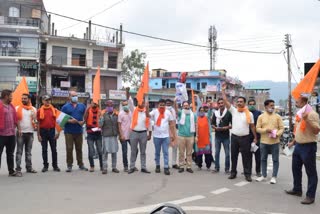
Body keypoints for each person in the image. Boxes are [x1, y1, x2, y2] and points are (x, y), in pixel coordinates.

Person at [285, 96, 320, 205]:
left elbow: (316, 130)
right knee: (295, 169)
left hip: (308, 146)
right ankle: (297, 189)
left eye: (297, 101)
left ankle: (310, 196)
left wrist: (306, 119)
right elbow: (299, 131)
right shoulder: (300, 113)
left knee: (311, 172)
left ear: (304, 102)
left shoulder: (312, 114)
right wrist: (293, 142)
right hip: (298, 146)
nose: (295, 103)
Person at [221, 82, 257, 182]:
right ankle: (233, 172)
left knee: (247, 157)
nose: (239, 103)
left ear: (244, 103)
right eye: (238, 101)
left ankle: (247, 174)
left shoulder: (249, 114)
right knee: (234, 156)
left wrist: (255, 137)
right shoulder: (234, 111)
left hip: (245, 138)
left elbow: (252, 126)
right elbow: (225, 100)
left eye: (241, 101)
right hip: (234, 137)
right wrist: (223, 90)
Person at [256, 99, 284, 184]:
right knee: (263, 159)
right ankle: (263, 175)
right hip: (264, 142)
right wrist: (265, 130)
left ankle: (274, 176)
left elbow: (282, 128)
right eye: (271, 105)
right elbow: (257, 128)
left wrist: (277, 134)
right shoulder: (261, 117)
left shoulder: (277, 117)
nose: (273, 107)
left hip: (275, 142)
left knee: (275, 159)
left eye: (273, 105)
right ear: (266, 106)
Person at [61, 91, 88, 172]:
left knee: (79, 149)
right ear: (69, 97)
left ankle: (81, 164)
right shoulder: (65, 107)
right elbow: (61, 119)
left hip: (79, 131)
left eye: (76, 95)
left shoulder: (82, 106)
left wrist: (83, 122)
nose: (75, 97)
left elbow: (86, 116)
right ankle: (69, 165)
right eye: (73, 96)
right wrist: (69, 121)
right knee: (69, 148)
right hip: (69, 131)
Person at [150, 99, 176, 175]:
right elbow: (148, 116)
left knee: (166, 152)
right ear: (158, 105)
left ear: (165, 105)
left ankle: (166, 167)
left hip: (166, 136)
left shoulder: (168, 112)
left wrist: (173, 135)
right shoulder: (154, 111)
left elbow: (171, 124)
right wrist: (146, 107)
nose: (162, 106)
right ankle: (157, 165)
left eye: (163, 105)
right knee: (157, 152)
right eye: (160, 104)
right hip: (156, 136)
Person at [128, 97, 152, 174]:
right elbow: (130, 102)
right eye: (140, 102)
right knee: (133, 151)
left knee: (143, 151)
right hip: (134, 133)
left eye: (142, 102)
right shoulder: (134, 109)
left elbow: (149, 123)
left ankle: (143, 167)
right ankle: (132, 167)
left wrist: (150, 134)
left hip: (143, 133)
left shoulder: (146, 112)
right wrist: (127, 93)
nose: (141, 103)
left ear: (144, 103)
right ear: (137, 103)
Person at [15, 93, 37, 176]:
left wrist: (35, 118)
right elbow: (16, 120)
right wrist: (19, 129)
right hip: (21, 133)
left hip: (30, 133)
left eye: (25, 98)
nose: (23, 100)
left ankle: (29, 168)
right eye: (22, 98)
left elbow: (35, 123)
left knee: (28, 152)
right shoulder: (17, 108)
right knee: (19, 152)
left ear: (29, 99)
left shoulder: (33, 109)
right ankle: (18, 170)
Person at [37, 95, 61, 172]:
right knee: (44, 150)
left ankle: (55, 165)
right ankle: (45, 166)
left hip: (52, 131)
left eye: (49, 100)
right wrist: (38, 135)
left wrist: (58, 132)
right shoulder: (39, 111)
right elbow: (38, 123)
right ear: (43, 101)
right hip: (43, 131)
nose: (47, 101)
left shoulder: (54, 110)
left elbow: (58, 122)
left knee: (54, 149)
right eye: (46, 100)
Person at [0, 89, 20, 177]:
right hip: (1, 134)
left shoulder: (11, 106)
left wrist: (19, 129)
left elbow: (16, 119)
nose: (12, 97)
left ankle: (11, 171)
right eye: (11, 96)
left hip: (11, 134)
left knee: (10, 154)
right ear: (6, 96)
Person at [174, 100, 197, 173]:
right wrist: (175, 102)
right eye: (184, 105)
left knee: (189, 153)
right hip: (181, 136)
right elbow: (176, 109)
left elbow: (196, 125)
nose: (186, 106)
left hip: (190, 136)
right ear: (182, 106)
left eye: (187, 105)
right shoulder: (181, 113)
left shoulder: (193, 114)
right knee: (181, 152)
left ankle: (189, 166)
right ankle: (181, 166)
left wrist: (197, 135)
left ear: (189, 106)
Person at [212, 98, 232, 173]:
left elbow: (232, 124)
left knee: (227, 154)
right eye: (219, 103)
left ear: (224, 104)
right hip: (217, 136)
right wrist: (215, 128)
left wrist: (226, 127)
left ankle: (227, 169)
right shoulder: (215, 113)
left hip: (226, 136)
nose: (221, 104)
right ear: (218, 104)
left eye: (222, 103)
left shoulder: (228, 113)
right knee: (217, 153)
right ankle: (217, 168)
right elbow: (212, 124)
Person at [100, 100, 120, 174]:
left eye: (111, 105)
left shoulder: (116, 114)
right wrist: (101, 118)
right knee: (105, 152)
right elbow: (100, 125)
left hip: (114, 135)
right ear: (106, 106)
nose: (110, 107)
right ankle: (105, 168)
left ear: (113, 106)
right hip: (106, 135)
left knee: (114, 152)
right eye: (108, 105)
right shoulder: (103, 114)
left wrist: (119, 134)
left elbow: (119, 124)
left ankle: (114, 167)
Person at [84, 100, 103, 172]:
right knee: (91, 151)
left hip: (98, 134)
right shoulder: (88, 110)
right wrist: (87, 109)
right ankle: (92, 166)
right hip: (90, 133)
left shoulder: (100, 111)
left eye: (95, 103)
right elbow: (84, 118)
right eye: (92, 103)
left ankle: (102, 166)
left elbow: (102, 121)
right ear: (90, 103)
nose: (94, 104)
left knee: (100, 151)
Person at [247, 99, 262, 177]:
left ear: (255, 105)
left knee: (258, 156)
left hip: (257, 138)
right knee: (248, 156)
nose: (251, 105)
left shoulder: (259, 113)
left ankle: (258, 171)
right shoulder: (246, 113)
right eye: (250, 104)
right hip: (247, 138)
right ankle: (248, 171)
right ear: (248, 105)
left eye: (253, 104)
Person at [166, 99, 179, 169]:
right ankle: (166, 163)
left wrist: (175, 102)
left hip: (173, 130)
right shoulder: (164, 110)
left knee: (175, 147)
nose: (168, 104)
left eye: (169, 103)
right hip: (166, 130)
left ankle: (174, 163)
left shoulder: (173, 110)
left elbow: (177, 111)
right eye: (167, 103)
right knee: (166, 148)